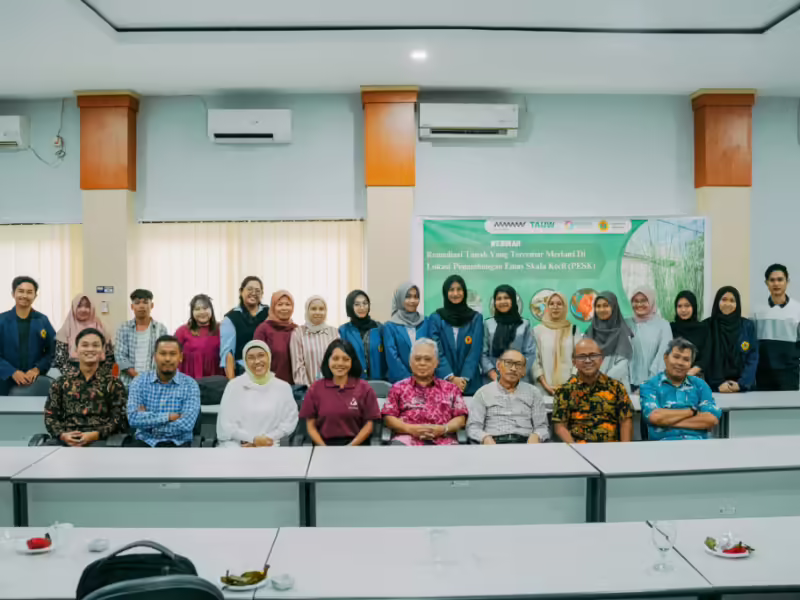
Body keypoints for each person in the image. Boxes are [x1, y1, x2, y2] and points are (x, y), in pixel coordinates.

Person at [44, 328, 127, 446]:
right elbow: (50, 416)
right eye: (85, 345)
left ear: (103, 350)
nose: (90, 349)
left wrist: (94, 435)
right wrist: (63, 435)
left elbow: (119, 419)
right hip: (67, 439)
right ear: (76, 350)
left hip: (101, 440)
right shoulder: (61, 383)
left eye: (95, 345)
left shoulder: (114, 384)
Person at [382, 338, 468, 446]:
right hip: (407, 439)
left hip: (443, 439)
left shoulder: (451, 389)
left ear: (436, 362)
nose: (422, 363)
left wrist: (444, 429)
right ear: (410, 361)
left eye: (427, 359)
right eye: (417, 359)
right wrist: (410, 429)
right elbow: (388, 418)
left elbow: (461, 418)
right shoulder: (398, 388)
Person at [216, 340, 298, 448]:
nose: (257, 361)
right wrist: (253, 439)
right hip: (238, 446)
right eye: (251, 357)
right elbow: (226, 425)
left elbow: (289, 422)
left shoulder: (283, 387)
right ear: (245, 361)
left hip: (271, 445)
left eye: (261, 356)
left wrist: (265, 440)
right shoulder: (234, 386)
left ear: (269, 357)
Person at [299, 339, 381, 446]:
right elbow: (310, 425)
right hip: (323, 446)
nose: (340, 363)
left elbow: (370, 424)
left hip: (356, 446)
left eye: (346, 359)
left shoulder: (365, 388)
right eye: (335, 359)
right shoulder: (316, 388)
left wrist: (351, 446)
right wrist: (324, 448)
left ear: (352, 362)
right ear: (328, 361)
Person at [552, 338, 634, 443]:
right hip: (578, 449)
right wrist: (576, 451)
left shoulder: (616, 387)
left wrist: (624, 450)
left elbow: (626, 421)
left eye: (593, 355)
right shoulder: (563, 391)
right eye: (582, 356)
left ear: (601, 359)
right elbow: (560, 427)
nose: (588, 360)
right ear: (574, 362)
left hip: (611, 450)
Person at [126, 335, 201, 447]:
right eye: (163, 353)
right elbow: (133, 418)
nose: (167, 359)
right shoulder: (139, 382)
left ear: (180, 357)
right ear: (155, 357)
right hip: (144, 442)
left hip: (178, 443)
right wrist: (169, 417)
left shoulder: (190, 385)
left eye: (172, 354)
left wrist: (148, 423)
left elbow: (186, 425)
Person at [641, 338, 721, 441]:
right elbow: (655, 417)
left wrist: (666, 422)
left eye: (686, 359)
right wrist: (692, 412)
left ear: (691, 364)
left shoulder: (700, 385)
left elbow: (711, 419)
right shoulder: (649, 385)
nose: (680, 363)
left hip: (698, 447)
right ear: (666, 358)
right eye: (676, 357)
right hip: (663, 448)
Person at [467, 349, 549, 444]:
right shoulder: (483, 393)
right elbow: (473, 428)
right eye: (508, 363)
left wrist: (537, 435)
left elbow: (542, 427)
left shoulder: (534, 393)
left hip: (525, 443)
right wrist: (485, 438)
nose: (513, 368)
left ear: (523, 371)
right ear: (498, 366)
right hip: (494, 444)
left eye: (518, 365)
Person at [428, 275, 484, 395]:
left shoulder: (475, 318)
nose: (455, 293)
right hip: (443, 383)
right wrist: (451, 378)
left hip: (470, 384)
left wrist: (463, 378)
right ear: (445, 293)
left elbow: (475, 350)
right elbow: (436, 350)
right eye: (451, 290)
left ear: (464, 292)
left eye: (459, 289)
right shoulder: (436, 318)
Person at [0, 276, 56, 396]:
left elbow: (53, 349)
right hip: (4, 380)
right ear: (13, 294)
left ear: (35, 296)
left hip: (34, 381)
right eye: (21, 291)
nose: (25, 296)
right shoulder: (2, 321)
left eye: (29, 292)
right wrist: (12, 372)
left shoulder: (42, 320)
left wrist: (37, 369)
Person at [753, 264, 800, 391]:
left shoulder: (797, 310)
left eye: (780, 279)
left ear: (787, 282)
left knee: (788, 410)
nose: (776, 283)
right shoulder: (757, 310)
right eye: (772, 280)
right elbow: (751, 343)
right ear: (766, 283)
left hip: (790, 373)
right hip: (763, 373)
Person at [703, 286, 758, 393]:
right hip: (715, 389)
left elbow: (752, 357)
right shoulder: (707, 326)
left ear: (737, 304)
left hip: (743, 389)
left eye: (732, 300)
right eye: (724, 300)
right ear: (717, 302)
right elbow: (705, 358)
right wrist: (717, 384)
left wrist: (741, 384)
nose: (727, 304)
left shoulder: (747, 326)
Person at [481, 285, 536, 384]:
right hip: (492, 380)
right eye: (499, 299)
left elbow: (530, 353)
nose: (502, 302)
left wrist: (516, 374)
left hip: (519, 380)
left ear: (513, 300)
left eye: (506, 298)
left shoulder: (524, 324)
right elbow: (482, 353)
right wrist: (494, 375)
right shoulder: (488, 324)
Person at [115, 289, 168, 388]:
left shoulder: (160, 329)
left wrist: (150, 379)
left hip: (154, 383)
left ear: (151, 305)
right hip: (128, 383)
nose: (141, 306)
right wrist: (137, 376)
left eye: (145, 302)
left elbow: (164, 356)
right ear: (132, 307)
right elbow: (120, 356)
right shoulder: (124, 328)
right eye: (137, 303)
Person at [219, 276, 269, 379]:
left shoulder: (269, 313)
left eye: (257, 291)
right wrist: (232, 384)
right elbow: (228, 354)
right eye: (249, 289)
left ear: (262, 294)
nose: (253, 293)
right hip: (243, 371)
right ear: (241, 291)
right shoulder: (231, 318)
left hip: (269, 369)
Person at [532, 292, 581, 396]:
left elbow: (579, 358)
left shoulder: (573, 329)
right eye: (551, 304)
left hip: (570, 389)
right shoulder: (537, 330)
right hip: (543, 389)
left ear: (565, 307)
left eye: (559, 304)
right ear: (547, 307)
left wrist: (570, 384)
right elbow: (535, 362)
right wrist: (546, 386)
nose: (555, 307)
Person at [53, 294, 115, 377]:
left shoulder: (101, 327)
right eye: (79, 306)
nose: (83, 310)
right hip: (72, 375)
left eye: (87, 306)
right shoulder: (66, 329)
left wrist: (98, 375)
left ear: (92, 308)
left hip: (100, 374)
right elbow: (61, 360)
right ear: (73, 308)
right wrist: (77, 376)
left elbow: (110, 357)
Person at [584, 291, 634, 393]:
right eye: (598, 306)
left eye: (606, 306)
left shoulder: (623, 331)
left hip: (616, 387)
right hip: (591, 386)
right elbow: (583, 357)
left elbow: (623, 365)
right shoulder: (590, 331)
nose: (601, 309)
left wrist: (600, 381)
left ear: (614, 307)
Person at [626, 287, 672, 389]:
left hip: (653, 384)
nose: (639, 305)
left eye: (643, 301)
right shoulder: (626, 323)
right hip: (627, 384)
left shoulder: (663, 325)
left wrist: (650, 384)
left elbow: (663, 356)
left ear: (651, 302)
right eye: (635, 301)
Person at [383, 283, 428, 384]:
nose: (412, 301)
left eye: (416, 297)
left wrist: (423, 376)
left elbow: (432, 352)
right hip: (401, 383)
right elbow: (392, 358)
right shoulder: (390, 326)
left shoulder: (426, 322)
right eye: (408, 297)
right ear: (400, 299)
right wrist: (410, 380)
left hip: (425, 381)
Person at [290, 296, 340, 387]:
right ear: (307, 311)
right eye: (313, 309)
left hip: (333, 387)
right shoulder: (298, 333)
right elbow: (298, 366)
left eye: (321, 309)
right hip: (308, 391)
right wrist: (309, 389)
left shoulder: (334, 332)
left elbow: (338, 362)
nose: (318, 312)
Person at [174, 294, 224, 379]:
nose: (202, 312)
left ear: (211, 310)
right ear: (192, 312)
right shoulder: (182, 331)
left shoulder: (222, 329)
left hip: (215, 379)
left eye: (205, 308)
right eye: (197, 309)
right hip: (189, 379)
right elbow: (173, 354)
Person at [338, 289, 384, 380]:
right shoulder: (344, 331)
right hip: (353, 384)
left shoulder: (380, 328)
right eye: (357, 304)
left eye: (365, 303)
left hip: (379, 383)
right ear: (350, 307)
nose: (362, 307)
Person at [254, 290, 297, 384]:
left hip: (296, 388)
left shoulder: (297, 330)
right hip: (269, 385)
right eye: (280, 304)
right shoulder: (263, 329)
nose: (284, 308)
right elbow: (257, 359)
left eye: (288, 304)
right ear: (273, 307)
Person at [670, 290, 708, 377]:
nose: (683, 310)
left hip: (696, 375)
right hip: (673, 374)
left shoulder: (703, 328)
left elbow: (706, 356)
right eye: (679, 306)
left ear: (694, 307)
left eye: (687, 306)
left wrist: (690, 373)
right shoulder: (671, 328)